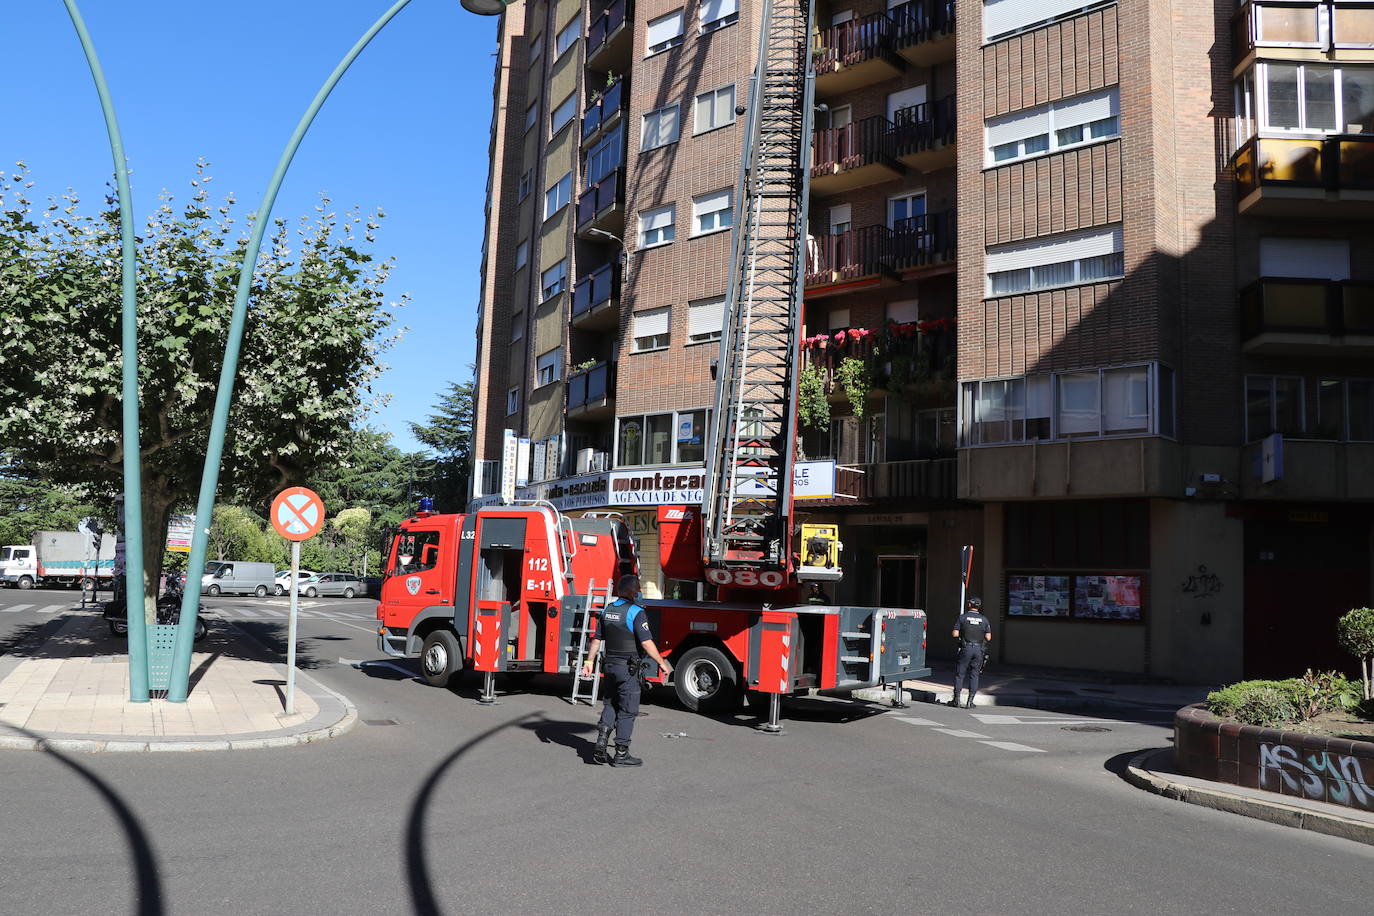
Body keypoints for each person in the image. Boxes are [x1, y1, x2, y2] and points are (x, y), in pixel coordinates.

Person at [582, 574, 672, 767]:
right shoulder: (636, 612)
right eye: (638, 588)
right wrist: (662, 662)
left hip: (610, 666)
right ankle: (621, 754)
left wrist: (588, 662)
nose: (639, 591)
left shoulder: (608, 610)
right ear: (631, 591)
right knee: (627, 710)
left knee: (610, 704)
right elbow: (647, 643)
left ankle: (601, 742)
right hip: (628, 669)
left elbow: (596, 640)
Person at [951, 595, 992, 709]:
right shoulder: (984, 620)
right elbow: (988, 637)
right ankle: (970, 701)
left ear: (969, 605)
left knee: (960, 674)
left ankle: (957, 700)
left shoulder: (963, 618)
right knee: (975, 675)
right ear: (979, 606)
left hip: (966, 648)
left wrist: (963, 634)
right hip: (979, 649)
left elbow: (954, 633)